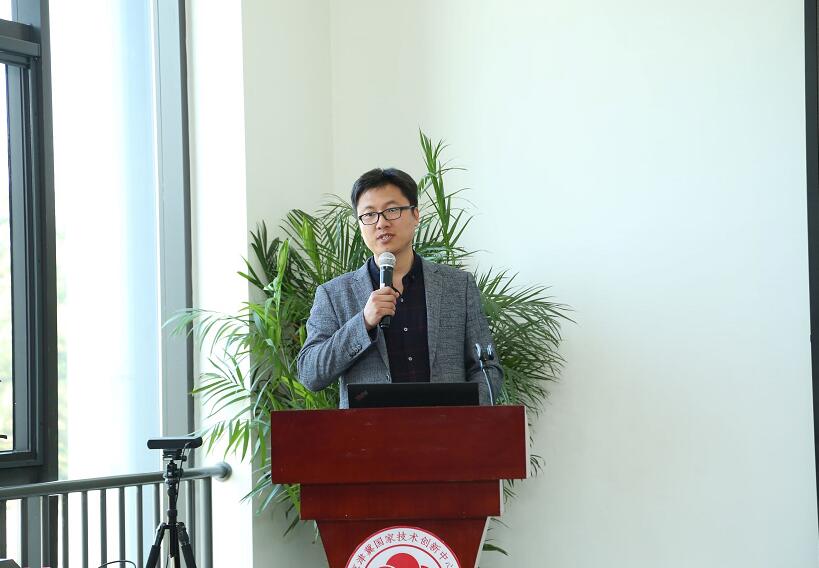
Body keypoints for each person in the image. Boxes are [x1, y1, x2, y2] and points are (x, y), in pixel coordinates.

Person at [297, 167, 502, 408]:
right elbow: (310, 373)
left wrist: (467, 418)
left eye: (392, 210)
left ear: (415, 215)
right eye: (369, 215)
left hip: (446, 428)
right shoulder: (333, 294)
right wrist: (363, 323)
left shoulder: (458, 285)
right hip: (370, 430)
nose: (381, 223)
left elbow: (486, 367)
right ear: (360, 224)